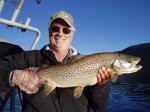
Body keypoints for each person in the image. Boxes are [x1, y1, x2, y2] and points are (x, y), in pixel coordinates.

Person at [0, 11, 113, 112]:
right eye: (55, 28)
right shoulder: (29, 58)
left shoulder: (88, 64)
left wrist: (100, 86)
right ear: (49, 31)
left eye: (66, 30)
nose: (60, 33)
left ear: (72, 34)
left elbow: (100, 107)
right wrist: (12, 76)